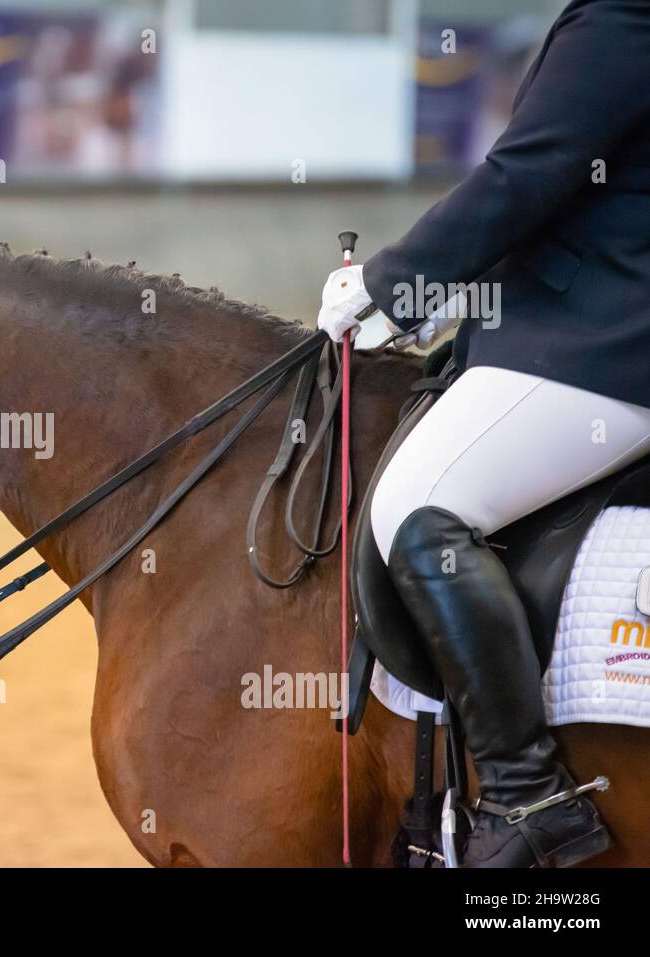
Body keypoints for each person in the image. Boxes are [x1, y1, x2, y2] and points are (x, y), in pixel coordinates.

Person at [318, 0, 650, 867]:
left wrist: (401, 286)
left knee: (422, 508)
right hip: (584, 317)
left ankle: (528, 795)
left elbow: (528, 171)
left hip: (606, 347)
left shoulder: (628, 14)